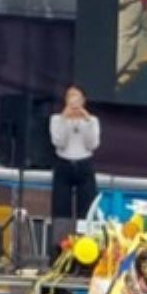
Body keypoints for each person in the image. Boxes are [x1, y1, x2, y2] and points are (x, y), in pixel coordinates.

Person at [49, 86, 101, 226]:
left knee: (87, 208)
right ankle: (60, 245)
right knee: (61, 208)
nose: (73, 101)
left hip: (84, 164)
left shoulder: (92, 120)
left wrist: (86, 120)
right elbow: (59, 142)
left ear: (83, 100)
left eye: (77, 97)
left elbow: (92, 145)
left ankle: (85, 242)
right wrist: (64, 120)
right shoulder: (56, 119)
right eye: (70, 97)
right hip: (63, 164)